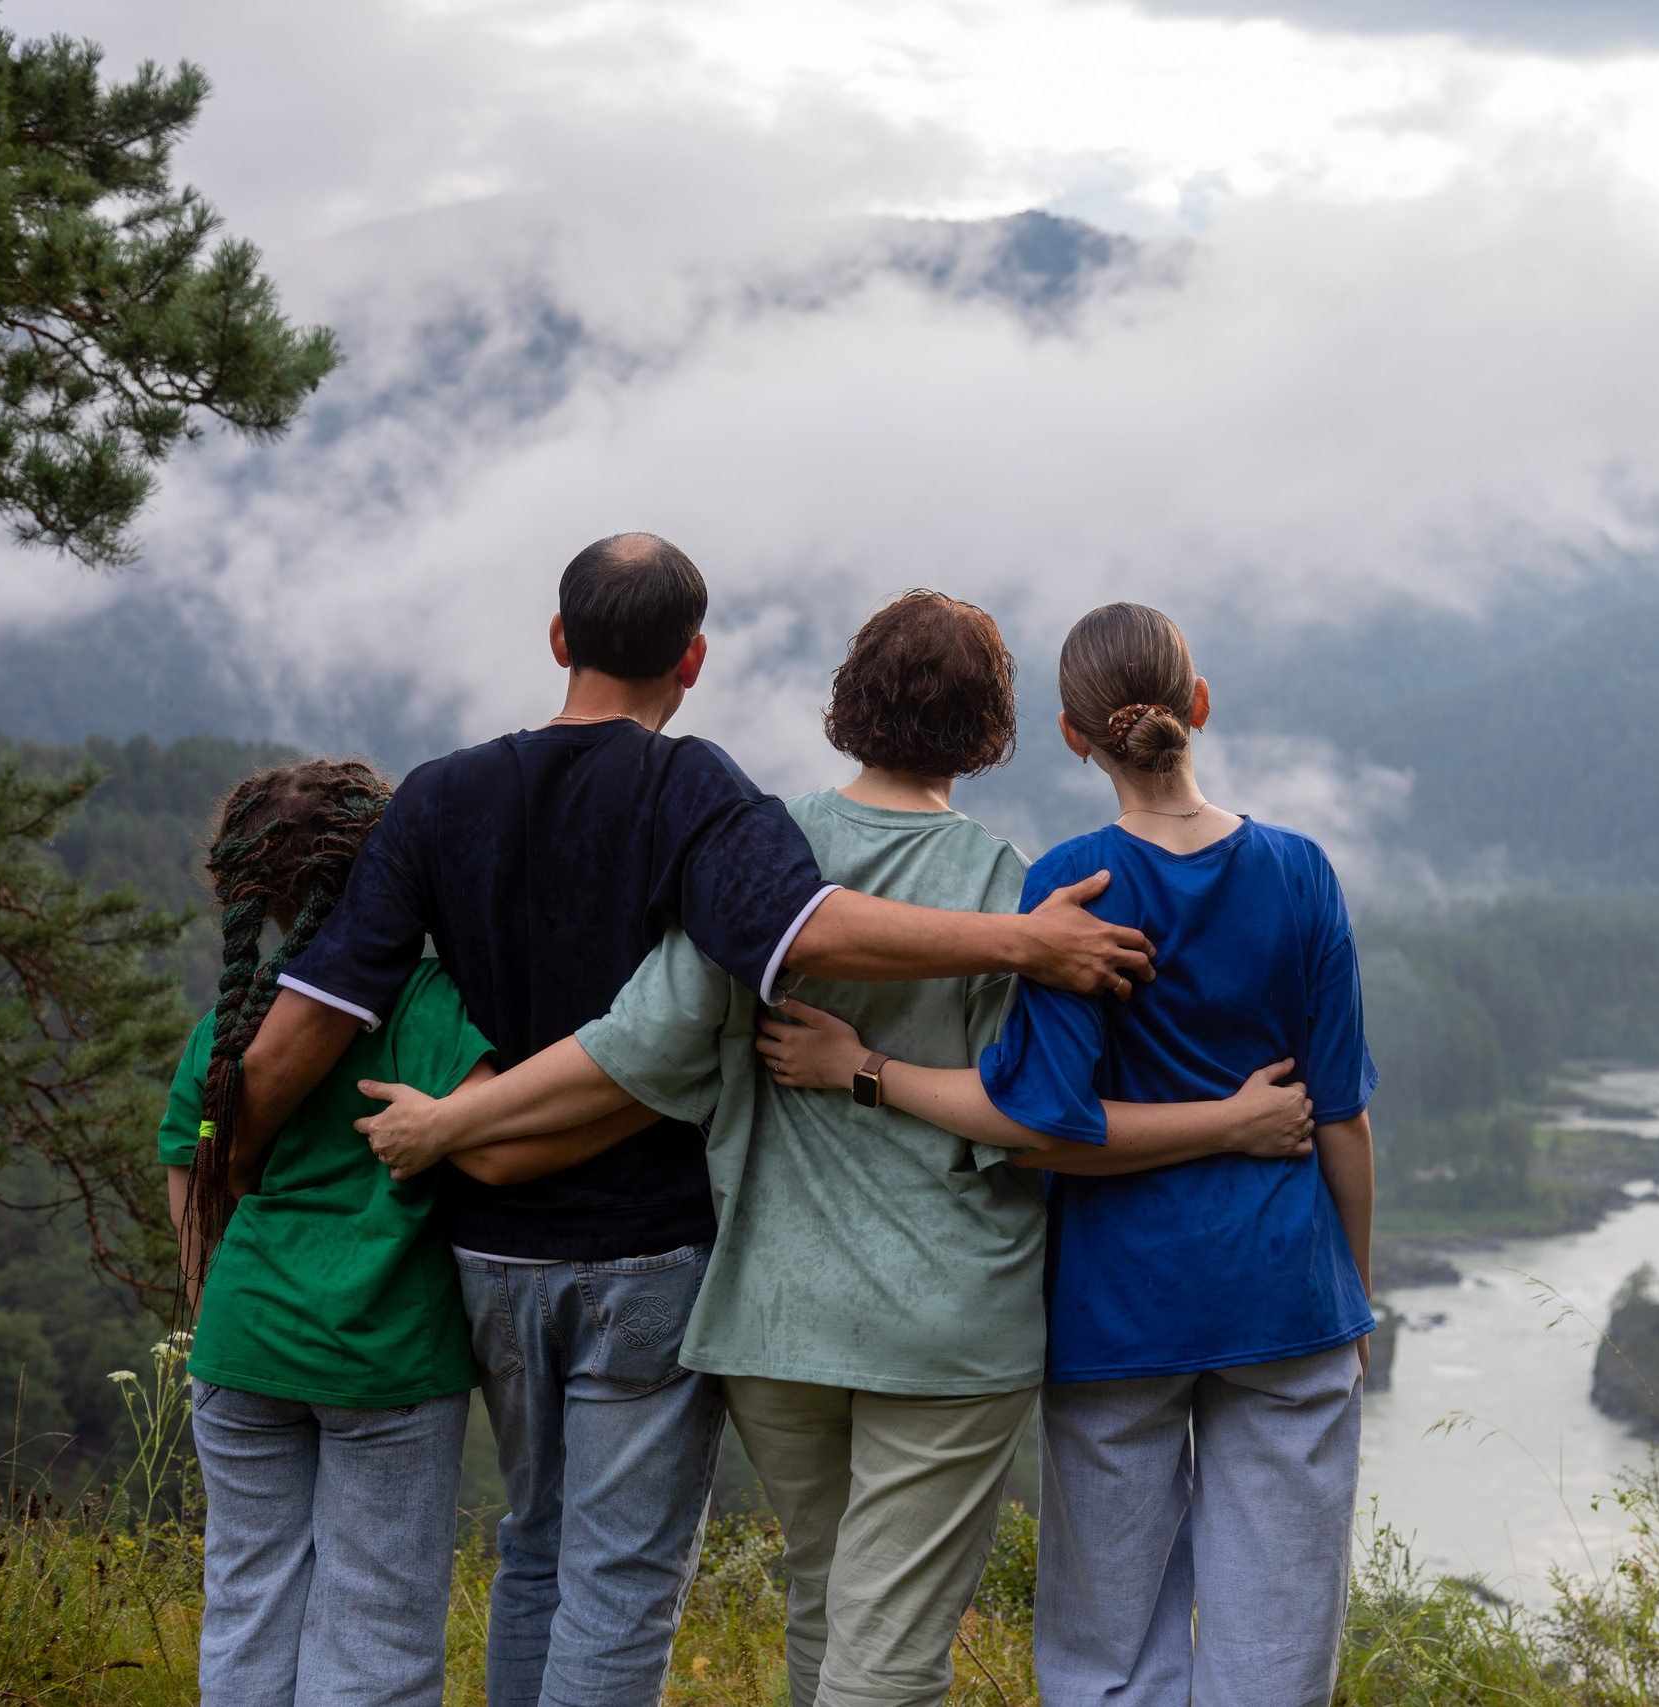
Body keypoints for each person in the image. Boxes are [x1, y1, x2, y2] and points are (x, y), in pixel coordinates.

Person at [221, 538, 1160, 1707]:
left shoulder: (511, 803)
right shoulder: (752, 812)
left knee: (568, 1551)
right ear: (694, 660)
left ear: (559, 639)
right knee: (692, 1599)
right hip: (759, 1276)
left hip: (610, 1277)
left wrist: (261, 1163)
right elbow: (974, 1084)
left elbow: (358, 1013)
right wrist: (1013, 961)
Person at [754, 601, 1377, 1707]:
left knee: (1108, 1657)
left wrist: (865, 1068)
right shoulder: (1301, 870)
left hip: (1116, 1308)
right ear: (1199, 704)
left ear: (1072, 735)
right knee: (1277, 1652)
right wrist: (1353, 1295)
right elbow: (1341, 1120)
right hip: (1288, 1291)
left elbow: (1044, 1124)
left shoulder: (1069, 886)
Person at [160, 760, 642, 1707]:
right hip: (387, 1358)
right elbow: (493, 1142)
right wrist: (639, 1103)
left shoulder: (229, 1028)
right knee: (375, 1625)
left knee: (247, 1605)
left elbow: (193, 1190)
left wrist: (227, 1311)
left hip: (240, 1349)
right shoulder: (422, 1005)